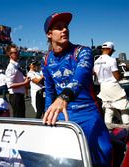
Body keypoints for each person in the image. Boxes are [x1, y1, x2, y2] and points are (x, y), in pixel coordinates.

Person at [41, 12, 112, 166]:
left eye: (65, 27)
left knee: (103, 152)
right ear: (49, 34)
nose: (64, 30)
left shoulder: (83, 51)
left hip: (88, 112)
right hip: (62, 115)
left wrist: (64, 97)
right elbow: (49, 91)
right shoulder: (45, 60)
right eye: (59, 28)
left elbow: (80, 77)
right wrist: (47, 115)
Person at [93, 41, 129, 124]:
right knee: (124, 107)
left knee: (109, 108)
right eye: (113, 51)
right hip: (113, 86)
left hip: (103, 87)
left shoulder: (96, 61)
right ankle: (127, 127)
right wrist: (122, 75)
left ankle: (108, 129)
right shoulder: (111, 60)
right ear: (110, 49)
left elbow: (95, 73)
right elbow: (117, 77)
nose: (113, 52)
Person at [5, 44, 30, 118]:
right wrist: (24, 83)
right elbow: (9, 85)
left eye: (17, 52)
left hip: (19, 95)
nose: (17, 54)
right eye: (15, 52)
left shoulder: (16, 65)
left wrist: (25, 78)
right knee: (19, 118)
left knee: (22, 117)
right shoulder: (11, 67)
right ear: (10, 55)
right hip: (15, 96)